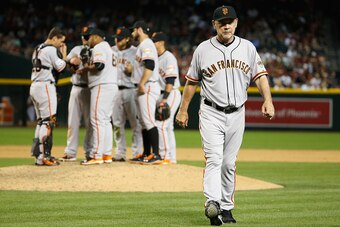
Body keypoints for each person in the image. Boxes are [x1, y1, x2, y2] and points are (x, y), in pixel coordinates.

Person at [175, 5, 275, 225]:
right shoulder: (203, 49)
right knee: (214, 160)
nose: (226, 25)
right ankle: (213, 204)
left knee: (229, 163)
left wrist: (267, 100)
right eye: (221, 22)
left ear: (236, 23)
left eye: (229, 21)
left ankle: (227, 208)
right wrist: (183, 109)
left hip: (238, 113)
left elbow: (260, 76)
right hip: (211, 112)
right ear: (214, 25)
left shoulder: (247, 48)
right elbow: (191, 82)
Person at [78, 27, 118, 165]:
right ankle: (106, 154)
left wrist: (86, 68)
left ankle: (97, 155)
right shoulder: (110, 49)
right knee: (105, 121)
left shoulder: (99, 47)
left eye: (88, 37)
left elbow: (99, 65)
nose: (87, 40)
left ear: (95, 36)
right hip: (111, 85)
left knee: (97, 120)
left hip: (102, 85)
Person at [29, 27, 68, 166]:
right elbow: (61, 68)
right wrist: (64, 55)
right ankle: (45, 156)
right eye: (60, 41)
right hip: (45, 85)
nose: (61, 45)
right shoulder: (51, 49)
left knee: (41, 122)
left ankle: (39, 157)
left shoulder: (37, 48)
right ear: (55, 37)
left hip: (35, 86)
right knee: (48, 121)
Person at [129, 20, 162, 165]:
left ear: (140, 29)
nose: (132, 33)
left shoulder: (147, 44)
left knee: (148, 120)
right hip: (142, 85)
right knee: (143, 122)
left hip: (147, 86)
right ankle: (147, 153)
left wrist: (142, 82)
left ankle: (156, 154)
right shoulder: (143, 45)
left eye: (133, 30)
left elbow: (150, 64)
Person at [59, 27, 92, 162]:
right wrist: (71, 63)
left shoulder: (97, 50)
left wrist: (84, 64)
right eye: (84, 36)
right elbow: (67, 65)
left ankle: (89, 152)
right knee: (72, 122)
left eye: (87, 36)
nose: (85, 38)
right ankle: (70, 152)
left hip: (90, 89)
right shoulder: (76, 49)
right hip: (76, 87)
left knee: (90, 123)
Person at [111, 26, 142, 161]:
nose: (117, 40)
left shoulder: (136, 52)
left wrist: (133, 69)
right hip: (115, 90)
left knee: (136, 124)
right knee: (117, 124)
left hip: (131, 89)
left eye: (121, 38)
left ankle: (137, 152)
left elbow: (144, 69)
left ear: (128, 39)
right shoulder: (111, 50)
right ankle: (120, 152)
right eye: (117, 38)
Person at [152, 32, 181, 164]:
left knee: (161, 125)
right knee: (168, 127)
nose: (153, 44)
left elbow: (170, 79)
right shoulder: (154, 57)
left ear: (161, 42)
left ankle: (164, 156)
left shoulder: (169, 57)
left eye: (155, 41)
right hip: (161, 93)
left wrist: (165, 99)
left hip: (171, 92)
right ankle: (171, 158)